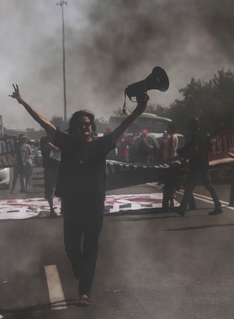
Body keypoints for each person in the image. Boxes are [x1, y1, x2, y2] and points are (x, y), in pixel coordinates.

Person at [11, 83, 148, 306]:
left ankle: (85, 291)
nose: (84, 128)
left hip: (94, 205)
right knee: (71, 246)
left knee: (91, 248)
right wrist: (23, 101)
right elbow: (43, 122)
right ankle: (79, 268)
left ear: (92, 128)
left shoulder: (102, 145)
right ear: (73, 129)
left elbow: (124, 125)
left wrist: (139, 110)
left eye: (87, 125)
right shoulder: (67, 143)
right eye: (80, 125)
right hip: (72, 204)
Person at [177, 117, 223, 216]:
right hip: (204, 164)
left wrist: (185, 159)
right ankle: (218, 206)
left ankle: (182, 208)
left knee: (188, 186)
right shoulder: (204, 136)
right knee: (208, 185)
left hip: (196, 165)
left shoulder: (195, 136)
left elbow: (194, 149)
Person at [158, 124, 181, 210]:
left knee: (168, 185)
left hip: (170, 164)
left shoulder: (172, 138)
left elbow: (171, 150)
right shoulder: (172, 137)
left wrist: (168, 162)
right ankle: (170, 203)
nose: (167, 130)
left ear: (171, 129)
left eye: (168, 128)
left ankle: (166, 205)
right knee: (169, 185)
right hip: (170, 163)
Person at [39, 135, 60, 216]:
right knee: (49, 188)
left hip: (58, 167)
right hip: (49, 167)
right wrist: (56, 147)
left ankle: (62, 208)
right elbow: (51, 147)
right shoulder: (44, 139)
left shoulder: (58, 139)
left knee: (61, 188)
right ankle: (51, 209)